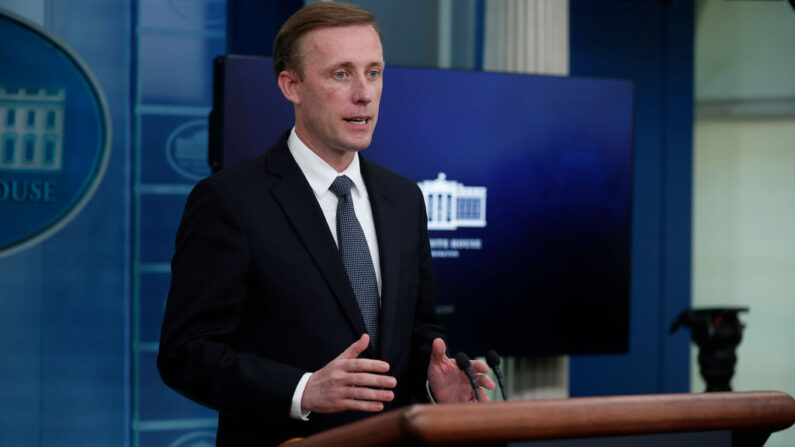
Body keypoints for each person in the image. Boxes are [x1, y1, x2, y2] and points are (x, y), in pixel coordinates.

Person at [157, 3, 494, 445]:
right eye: (341, 74)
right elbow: (186, 355)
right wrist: (304, 390)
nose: (364, 94)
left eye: (374, 73)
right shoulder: (230, 200)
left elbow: (418, 331)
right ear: (291, 85)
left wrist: (436, 385)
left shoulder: (404, 198)